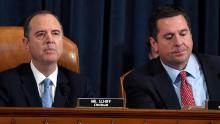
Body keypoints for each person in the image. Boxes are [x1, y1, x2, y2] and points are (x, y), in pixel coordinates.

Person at [124, 5, 220, 109]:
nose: (178, 43)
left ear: (191, 35)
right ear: (154, 43)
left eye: (183, 34)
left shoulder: (217, 67)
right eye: (169, 37)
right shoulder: (139, 81)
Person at [0, 10, 95, 107]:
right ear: (27, 44)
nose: (50, 40)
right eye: (41, 34)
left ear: (62, 41)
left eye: (55, 33)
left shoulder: (79, 85)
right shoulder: (6, 83)